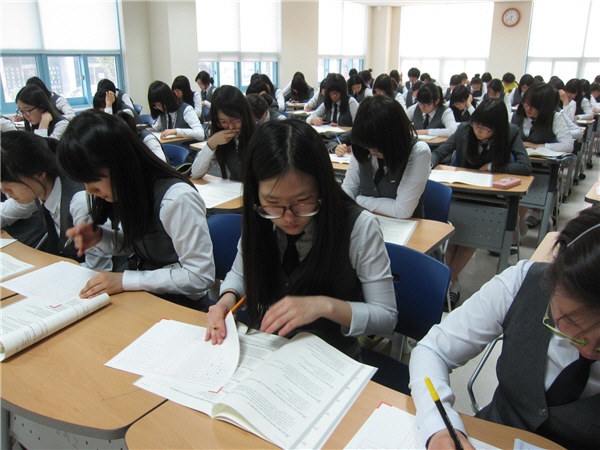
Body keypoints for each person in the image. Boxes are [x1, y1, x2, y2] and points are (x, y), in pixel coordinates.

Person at [409, 205, 600, 450]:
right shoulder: (522, 284)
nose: (589, 351)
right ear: (553, 281)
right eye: (569, 324)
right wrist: (439, 427)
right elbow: (433, 350)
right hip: (492, 436)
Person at [204, 120, 397, 360]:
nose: (288, 217)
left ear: (322, 187)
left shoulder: (358, 227)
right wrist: (226, 300)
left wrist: (325, 306)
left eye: (303, 201)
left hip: (330, 360)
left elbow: (386, 317)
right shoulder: (261, 217)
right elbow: (241, 272)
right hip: (270, 351)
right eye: (273, 203)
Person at [57, 110, 215, 310]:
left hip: (182, 305)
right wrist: (100, 237)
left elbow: (200, 276)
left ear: (120, 164)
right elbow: (138, 244)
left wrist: (125, 280)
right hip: (147, 296)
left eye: (93, 179)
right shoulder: (130, 190)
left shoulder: (176, 199)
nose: (89, 190)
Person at [431, 98, 532, 306]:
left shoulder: (511, 133)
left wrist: (493, 166)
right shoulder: (464, 129)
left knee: (471, 233)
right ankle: (450, 282)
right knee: (454, 234)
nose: (478, 131)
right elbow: (441, 152)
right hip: (460, 192)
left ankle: (446, 282)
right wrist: (429, 161)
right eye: (475, 125)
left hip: (488, 199)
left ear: (497, 128)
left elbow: (525, 166)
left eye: (485, 128)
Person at [1, 131, 112, 270]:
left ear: (39, 173)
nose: (3, 190)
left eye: (8, 181)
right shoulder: (37, 189)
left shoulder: (80, 202)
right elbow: (4, 213)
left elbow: (98, 269)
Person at [341, 95, 430, 219]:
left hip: (404, 226)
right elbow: (349, 188)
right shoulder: (363, 144)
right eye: (368, 147)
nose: (372, 151)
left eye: (378, 147)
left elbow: (402, 211)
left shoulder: (418, 151)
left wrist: (358, 200)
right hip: (366, 221)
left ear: (395, 137)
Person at [191, 85, 256, 180]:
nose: (231, 127)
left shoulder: (260, 134)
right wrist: (211, 143)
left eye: (234, 120)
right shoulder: (221, 136)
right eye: (223, 122)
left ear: (244, 114)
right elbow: (196, 173)